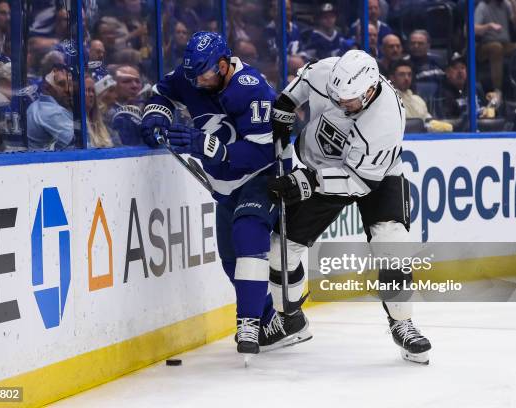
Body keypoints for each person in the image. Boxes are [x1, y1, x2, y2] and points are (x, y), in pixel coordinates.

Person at [140, 32, 312, 357]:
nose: (197, 80)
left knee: (249, 233)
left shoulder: (252, 88)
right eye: (192, 74)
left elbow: (264, 151)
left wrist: (208, 146)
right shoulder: (193, 76)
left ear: (222, 65)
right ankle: (275, 323)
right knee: (230, 259)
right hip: (226, 183)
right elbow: (161, 93)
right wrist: (155, 117)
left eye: (204, 73)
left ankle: (246, 323)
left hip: (266, 175)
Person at [267, 50, 432, 364]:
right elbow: (303, 82)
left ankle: (402, 322)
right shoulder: (331, 74)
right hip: (317, 164)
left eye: (350, 101)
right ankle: (289, 320)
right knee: (281, 248)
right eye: (337, 97)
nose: (342, 104)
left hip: (375, 175)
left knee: (392, 241)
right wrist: (286, 106)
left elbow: (358, 183)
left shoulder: (385, 120)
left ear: (370, 91)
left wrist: (306, 182)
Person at [474, 0, 516, 92]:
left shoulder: (506, 4)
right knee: (496, 47)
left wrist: (514, 2)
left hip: (504, 44)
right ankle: (497, 90)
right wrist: (488, 26)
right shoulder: (482, 6)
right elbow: (469, 30)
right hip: (483, 46)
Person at [389, 59, 452, 132]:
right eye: (402, 74)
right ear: (392, 78)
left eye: (409, 74)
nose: (406, 78)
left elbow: (429, 122)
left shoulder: (418, 100)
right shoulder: (388, 100)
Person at [26, 65, 75, 150]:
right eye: (61, 84)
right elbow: (78, 145)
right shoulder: (53, 112)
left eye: (69, 84)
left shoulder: (35, 106)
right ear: (46, 85)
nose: (67, 89)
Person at [84, 74, 114, 148]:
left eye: (93, 91)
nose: (91, 94)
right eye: (87, 90)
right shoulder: (77, 124)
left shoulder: (101, 123)